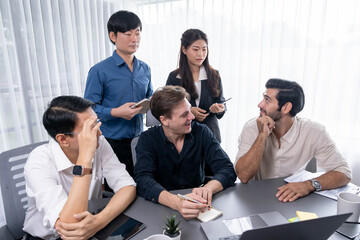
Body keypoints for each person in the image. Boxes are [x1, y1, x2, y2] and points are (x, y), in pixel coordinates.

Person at [23, 96, 136, 239]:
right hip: (49, 237)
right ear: (63, 139)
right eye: (90, 129)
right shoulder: (38, 161)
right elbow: (69, 225)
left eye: (97, 124)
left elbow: (127, 186)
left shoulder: (99, 142)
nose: (100, 133)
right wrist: (85, 158)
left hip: (89, 228)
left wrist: (98, 222)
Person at [234, 78, 352, 203]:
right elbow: (244, 176)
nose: (260, 104)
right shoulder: (252, 127)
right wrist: (262, 136)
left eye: (267, 100)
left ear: (286, 107)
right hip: (254, 198)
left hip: (291, 199)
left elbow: (344, 173)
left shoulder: (314, 131)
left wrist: (309, 185)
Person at [134, 86, 236, 220]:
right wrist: (176, 202)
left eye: (190, 111)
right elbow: (143, 180)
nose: (192, 117)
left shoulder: (201, 132)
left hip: (199, 203)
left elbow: (227, 169)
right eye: (184, 114)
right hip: (162, 206)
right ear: (164, 120)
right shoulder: (147, 139)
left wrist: (208, 188)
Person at [84, 10, 153, 177]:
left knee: (143, 186)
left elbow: (150, 97)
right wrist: (116, 112)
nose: (134, 39)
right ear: (113, 36)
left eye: (137, 33)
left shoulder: (145, 68)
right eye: (128, 34)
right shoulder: (99, 71)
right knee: (120, 191)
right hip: (111, 143)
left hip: (140, 140)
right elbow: (88, 110)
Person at [166, 29, 226, 143]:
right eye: (195, 49)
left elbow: (221, 102)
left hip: (211, 135)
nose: (201, 54)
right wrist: (188, 110)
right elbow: (167, 106)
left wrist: (219, 108)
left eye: (204, 49)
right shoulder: (174, 77)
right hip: (183, 136)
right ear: (184, 49)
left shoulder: (214, 75)